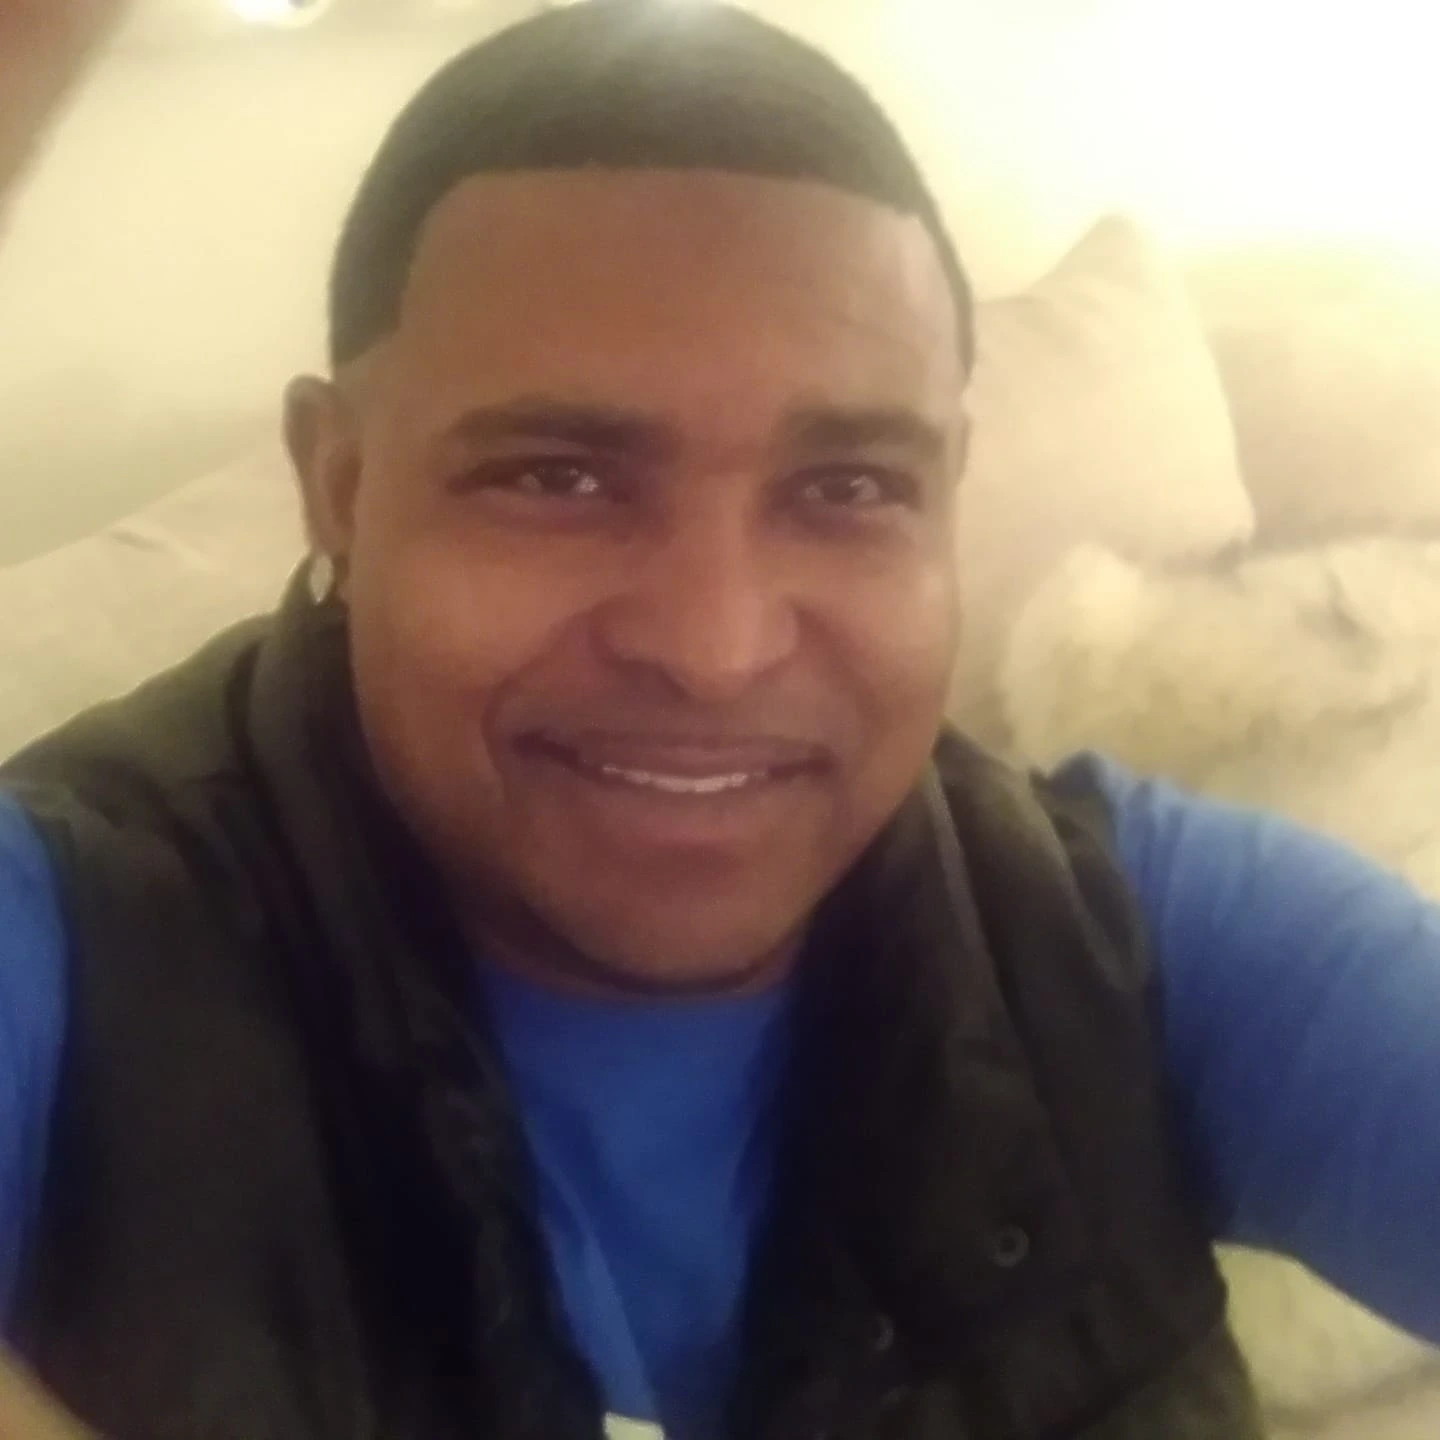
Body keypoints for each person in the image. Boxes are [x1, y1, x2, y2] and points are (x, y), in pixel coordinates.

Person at [0, 2, 1437, 1437]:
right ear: (343, 486)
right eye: (558, 478)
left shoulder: (1127, 942)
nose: (716, 648)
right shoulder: (76, 938)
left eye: (849, 488)